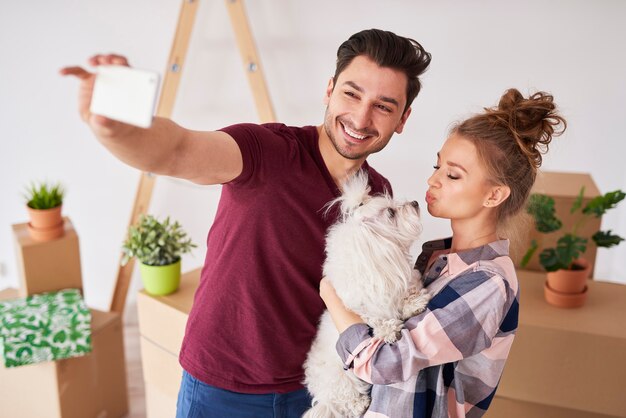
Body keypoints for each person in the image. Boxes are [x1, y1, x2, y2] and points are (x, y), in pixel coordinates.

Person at [60, 29, 431, 417]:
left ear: (402, 119)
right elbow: (177, 151)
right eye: (351, 94)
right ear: (329, 89)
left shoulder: (379, 198)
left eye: (383, 107)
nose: (360, 117)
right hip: (222, 387)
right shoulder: (265, 150)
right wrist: (118, 128)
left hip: (320, 389)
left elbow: (372, 296)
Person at [319, 88, 567, 417]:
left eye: (452, 175)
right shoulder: (436, 258)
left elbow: (384, 362)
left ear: (494, 195)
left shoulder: (487, 283)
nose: (433, 180)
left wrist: (330, 294)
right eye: (437, 166)